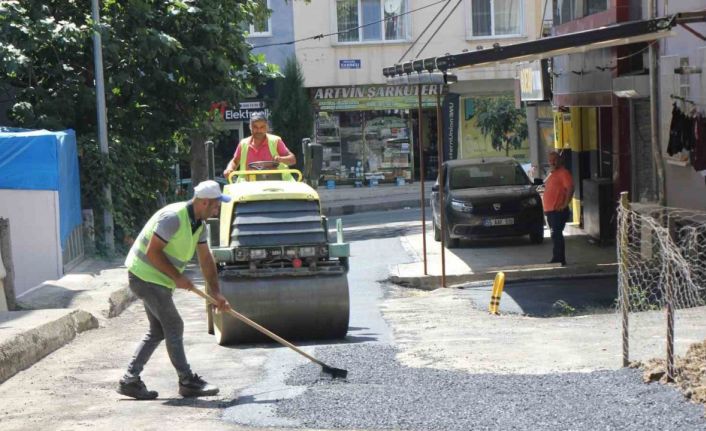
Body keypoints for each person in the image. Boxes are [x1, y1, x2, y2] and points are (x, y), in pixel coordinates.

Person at [117, 180, 230, 400]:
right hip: (144, 276)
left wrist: (216, 293)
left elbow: (206, 259)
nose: (218, 209)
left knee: (159, 330)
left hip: (158, 279)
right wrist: (178, 277)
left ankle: (130, 380)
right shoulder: (173, 218)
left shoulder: (199, 224)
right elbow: (152, 253)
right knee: (174, 325)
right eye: (216, 205)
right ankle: (187, 381)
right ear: (205, 202)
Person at [222, 111, 296, 181]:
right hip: (249, 187)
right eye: (255, 127)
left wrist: (280, 159)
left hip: (277, 185)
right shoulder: (243, 144)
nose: (259, 130)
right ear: (250, 127)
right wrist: (229, 169)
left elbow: (292, 160)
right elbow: (235, 161)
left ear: (267, 127)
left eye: (262, 127)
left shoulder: (275, 141)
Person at [542, 151, 574, 266]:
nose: (552, 162)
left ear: (560, 160)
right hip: (550, 210)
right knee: (554, 234)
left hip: (558, 210)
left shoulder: (563, 173)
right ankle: (557, 257)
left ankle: (559, 259)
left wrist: (565, 204)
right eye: (550, 160)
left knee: (556, 233)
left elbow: (570, 188)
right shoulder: (552, 174)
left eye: (554, 159)